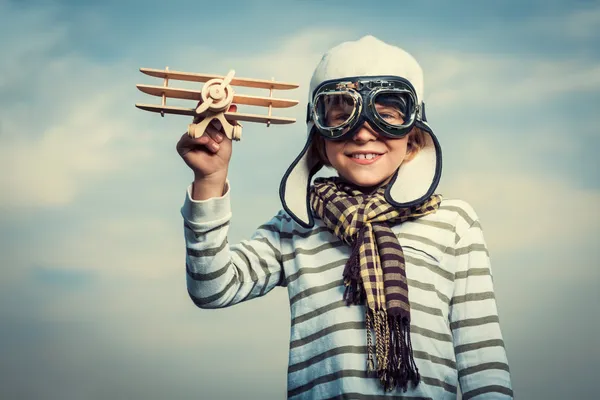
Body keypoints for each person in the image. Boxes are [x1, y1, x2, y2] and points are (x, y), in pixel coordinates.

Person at [176, 35, 513, 399]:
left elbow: (483, 360)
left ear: (414, 134)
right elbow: (212, 288)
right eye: (342, 116)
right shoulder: (296, 225)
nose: (364, 131)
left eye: (386, 116)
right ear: (319, 137)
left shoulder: (455, 223)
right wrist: (209, 181)